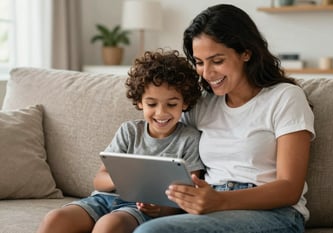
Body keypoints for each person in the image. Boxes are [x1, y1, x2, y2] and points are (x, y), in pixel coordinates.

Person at [134, 4, 315, 233]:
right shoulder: (203, 104)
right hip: (209, 209)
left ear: (245, 52)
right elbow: (167, 143)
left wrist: (220, 200)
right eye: (199, 62)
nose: (207, 73)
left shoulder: (285, 98)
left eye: (217, 61)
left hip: (274, 214)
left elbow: (290, 188)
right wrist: (162, 204)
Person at [37, 49, 205, 233]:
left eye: (171, 104)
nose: (161, 112)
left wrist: (159, 209)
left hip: (140, 208)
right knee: (55, 219)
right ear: (140, 101)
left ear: (185, 103)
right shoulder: (129, 131)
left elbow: (187, 196)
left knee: (109, 225)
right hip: (103, 199)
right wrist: (123, 179)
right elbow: (99, 181)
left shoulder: (188, 139)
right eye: (151, 104)